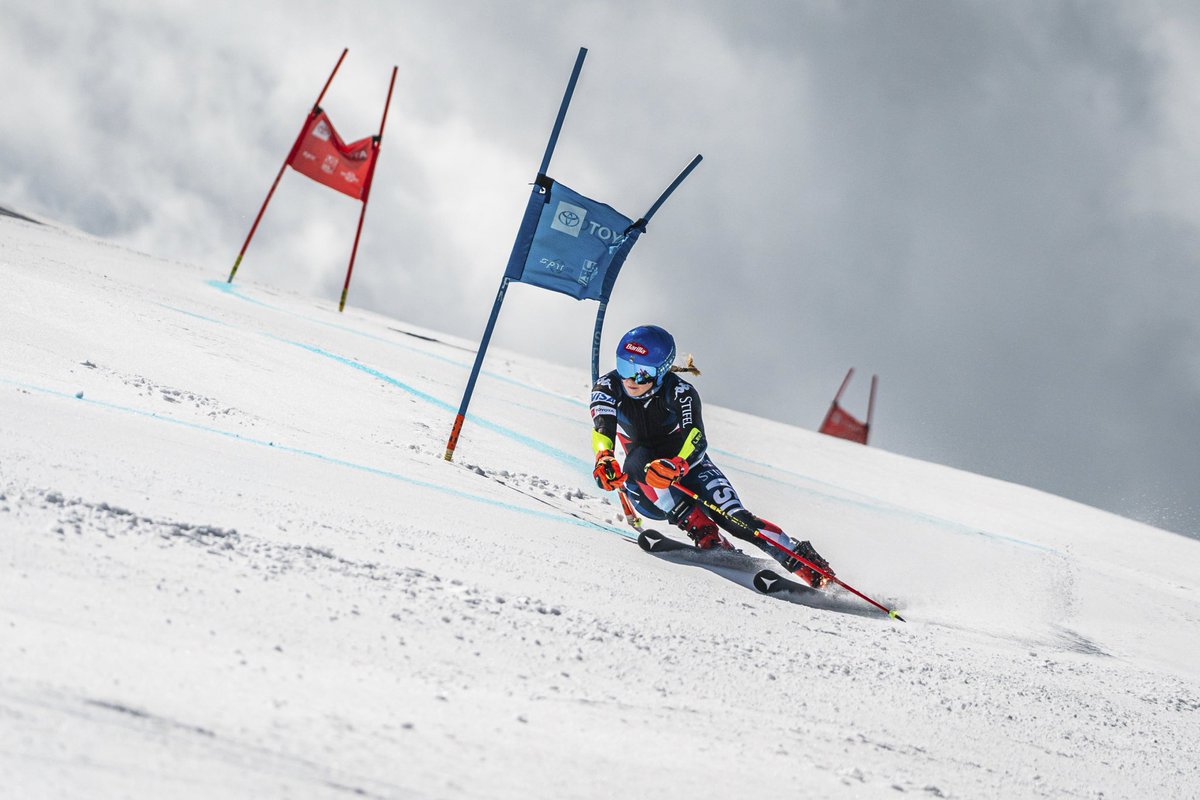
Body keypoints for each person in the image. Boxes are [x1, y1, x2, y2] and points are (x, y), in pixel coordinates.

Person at [589, 324, 834, 587]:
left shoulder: (680, 392)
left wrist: (678, 464)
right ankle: (702, 531)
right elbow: (603, 427)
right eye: (624, 367)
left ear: (661, 372)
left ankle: (810, 567)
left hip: (688, 468)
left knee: (737, 519)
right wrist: (604, 458)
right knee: (638, 460)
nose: (629, 381)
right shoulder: (607, 387)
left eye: (641, 374)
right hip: (646, 491)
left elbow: (696, 437)